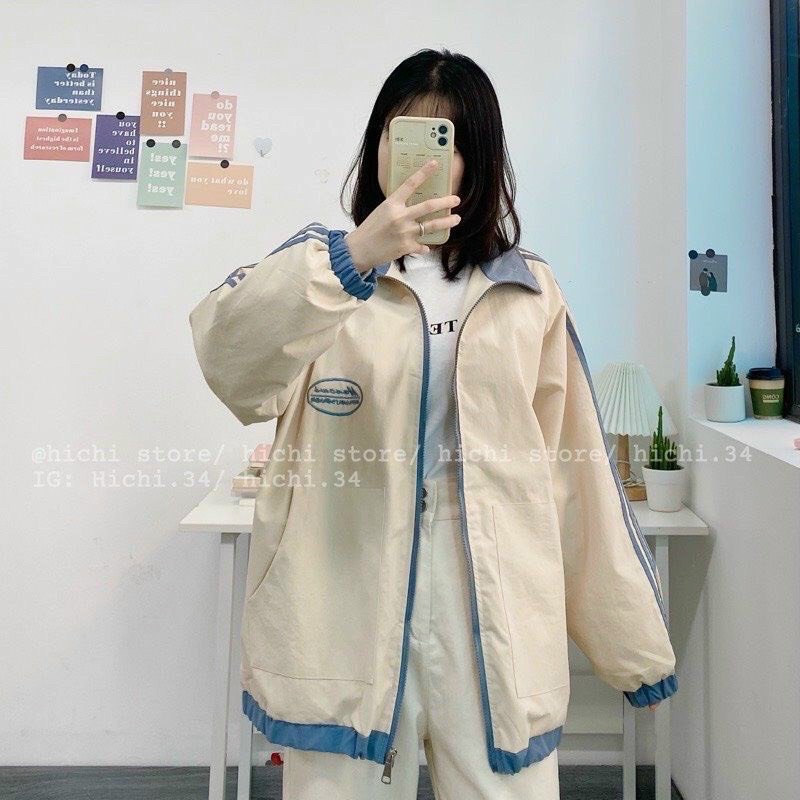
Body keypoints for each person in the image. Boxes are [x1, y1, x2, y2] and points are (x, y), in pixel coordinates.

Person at [189, 48, 678, 799]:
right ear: (376, 146)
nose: (418, 157)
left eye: (442, 139)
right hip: (343, 591)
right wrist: (358, 255)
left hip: (492, 599)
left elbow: (576, 474)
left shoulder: (527, 291)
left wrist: (631, 644)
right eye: (401, 133)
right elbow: (231, 360)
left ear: (475, 159)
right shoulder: (322, 272)